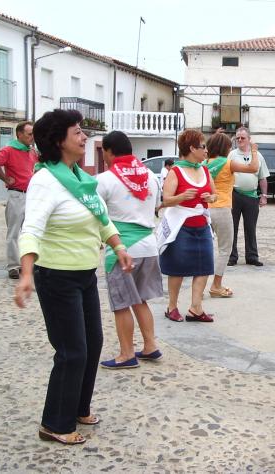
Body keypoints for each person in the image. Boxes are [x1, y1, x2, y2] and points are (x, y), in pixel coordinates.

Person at [14, 109, 132, 445]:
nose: (84, 137)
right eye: (77, 132)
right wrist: (26, 273)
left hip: (84, 274)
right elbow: (31, 229)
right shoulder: (45, 181)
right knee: (71, 350)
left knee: (92, 344)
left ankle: (78, 407)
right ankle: (54, 423)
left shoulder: (79, 177)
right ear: (58, 141)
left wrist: (118, 245)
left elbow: (101, 217)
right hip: (56, 276)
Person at [96, 131, 163, 369]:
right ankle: (150, 345)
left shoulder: (104, 179)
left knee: (122, 303)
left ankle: (126, 354)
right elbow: (157, 206)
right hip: (149, 245)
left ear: (108, 151)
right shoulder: (150, 176)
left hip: (123, 249)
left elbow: (97, 213)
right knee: (140, 300)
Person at [157, 129, 217, 322]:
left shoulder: (205, 170)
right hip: (181, 227)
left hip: (202, 224)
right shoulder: (175, 171)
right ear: (192, 148)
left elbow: (215, 194)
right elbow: (166, 200)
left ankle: (196, 307)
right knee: (178, 268)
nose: (206, 150)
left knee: (205, 265)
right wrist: (182, 197)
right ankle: (172, 306)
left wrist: (211, 198)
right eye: (203, 146)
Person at [205, 132, 259, 298]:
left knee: (204, 248)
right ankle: (216, 285)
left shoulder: (204, 164)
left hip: (205, 209)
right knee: (224, 249)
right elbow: (253, 168)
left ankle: (198, 286)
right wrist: (254, 150)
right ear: (224, 148)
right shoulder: (228, 163)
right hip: (221, 208)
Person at [0, 121, 37, 279]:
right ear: (19, 134)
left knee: (29, 231)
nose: (32, 137)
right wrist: (5, 178)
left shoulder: (31, 151)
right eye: (29, 134)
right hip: (16, 194)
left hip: (30, 195)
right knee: (14, 232)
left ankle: (26, 264)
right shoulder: (9, 150)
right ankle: (14, 266)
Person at [228, 127, 270, 266]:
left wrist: (264, 195)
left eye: (243, 138)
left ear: (249, 139)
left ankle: (252, 256)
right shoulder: (232, 155)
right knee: (232, 227)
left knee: (251, 227)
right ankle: (231, 256)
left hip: (251, 196)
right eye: (237, 138)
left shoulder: (258, 155)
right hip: (234, 194)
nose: (240, 140)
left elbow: (262, 177)